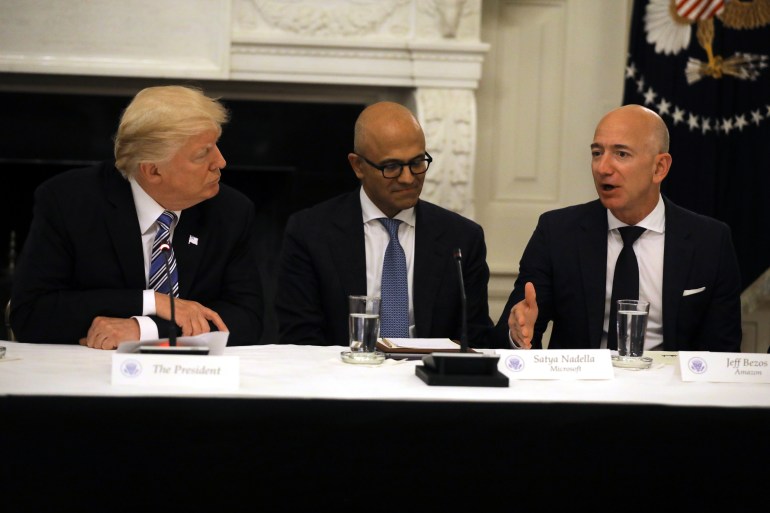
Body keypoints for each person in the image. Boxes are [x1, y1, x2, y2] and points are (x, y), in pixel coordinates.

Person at [10, 85, 264, 349]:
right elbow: (31, 314)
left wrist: (145, 329)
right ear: (153, 171)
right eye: (203, 153)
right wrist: (152, 302)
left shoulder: (230, 211)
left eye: (216, 146)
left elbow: (247, 319)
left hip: (192, 376)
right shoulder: (69, 202)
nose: (220, 162)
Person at [489, 104, 742, 352]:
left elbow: (723, 351)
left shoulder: (710, 241)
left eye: (621, 154)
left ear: (659, 167)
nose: (603, 168)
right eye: (597, 153)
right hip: (581, 390)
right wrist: (516, 334)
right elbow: (512, 329)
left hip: (669, 390)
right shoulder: (557, 233)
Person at [274, 101, 493, 346]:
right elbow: (300, 339)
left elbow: (475, 337)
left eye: (417, 163)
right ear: (358, 166)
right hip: (343, 377)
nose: (408, 178)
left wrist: (512, 334)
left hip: (429, 379)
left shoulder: (462, 238)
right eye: (392, 167)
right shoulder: (310, 232)